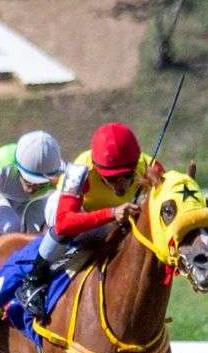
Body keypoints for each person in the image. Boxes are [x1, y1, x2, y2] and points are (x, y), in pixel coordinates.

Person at [16, 122, 156, 319]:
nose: (121, 185)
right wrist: (111, 212)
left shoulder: (150, 166)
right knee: (65, 224)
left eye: (128, 176)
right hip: (76, 214)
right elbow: (65, 222)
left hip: (114, 219)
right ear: (97, 169)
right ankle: (33, 279)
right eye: (112, 179)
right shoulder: (80, 170)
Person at [0, 131, 65, 251]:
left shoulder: (62, 173)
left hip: (36, 202)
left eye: (40, 184)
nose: (31, 189)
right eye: (28, 181)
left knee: (36, 235)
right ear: (16, 166)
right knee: (11, 226)